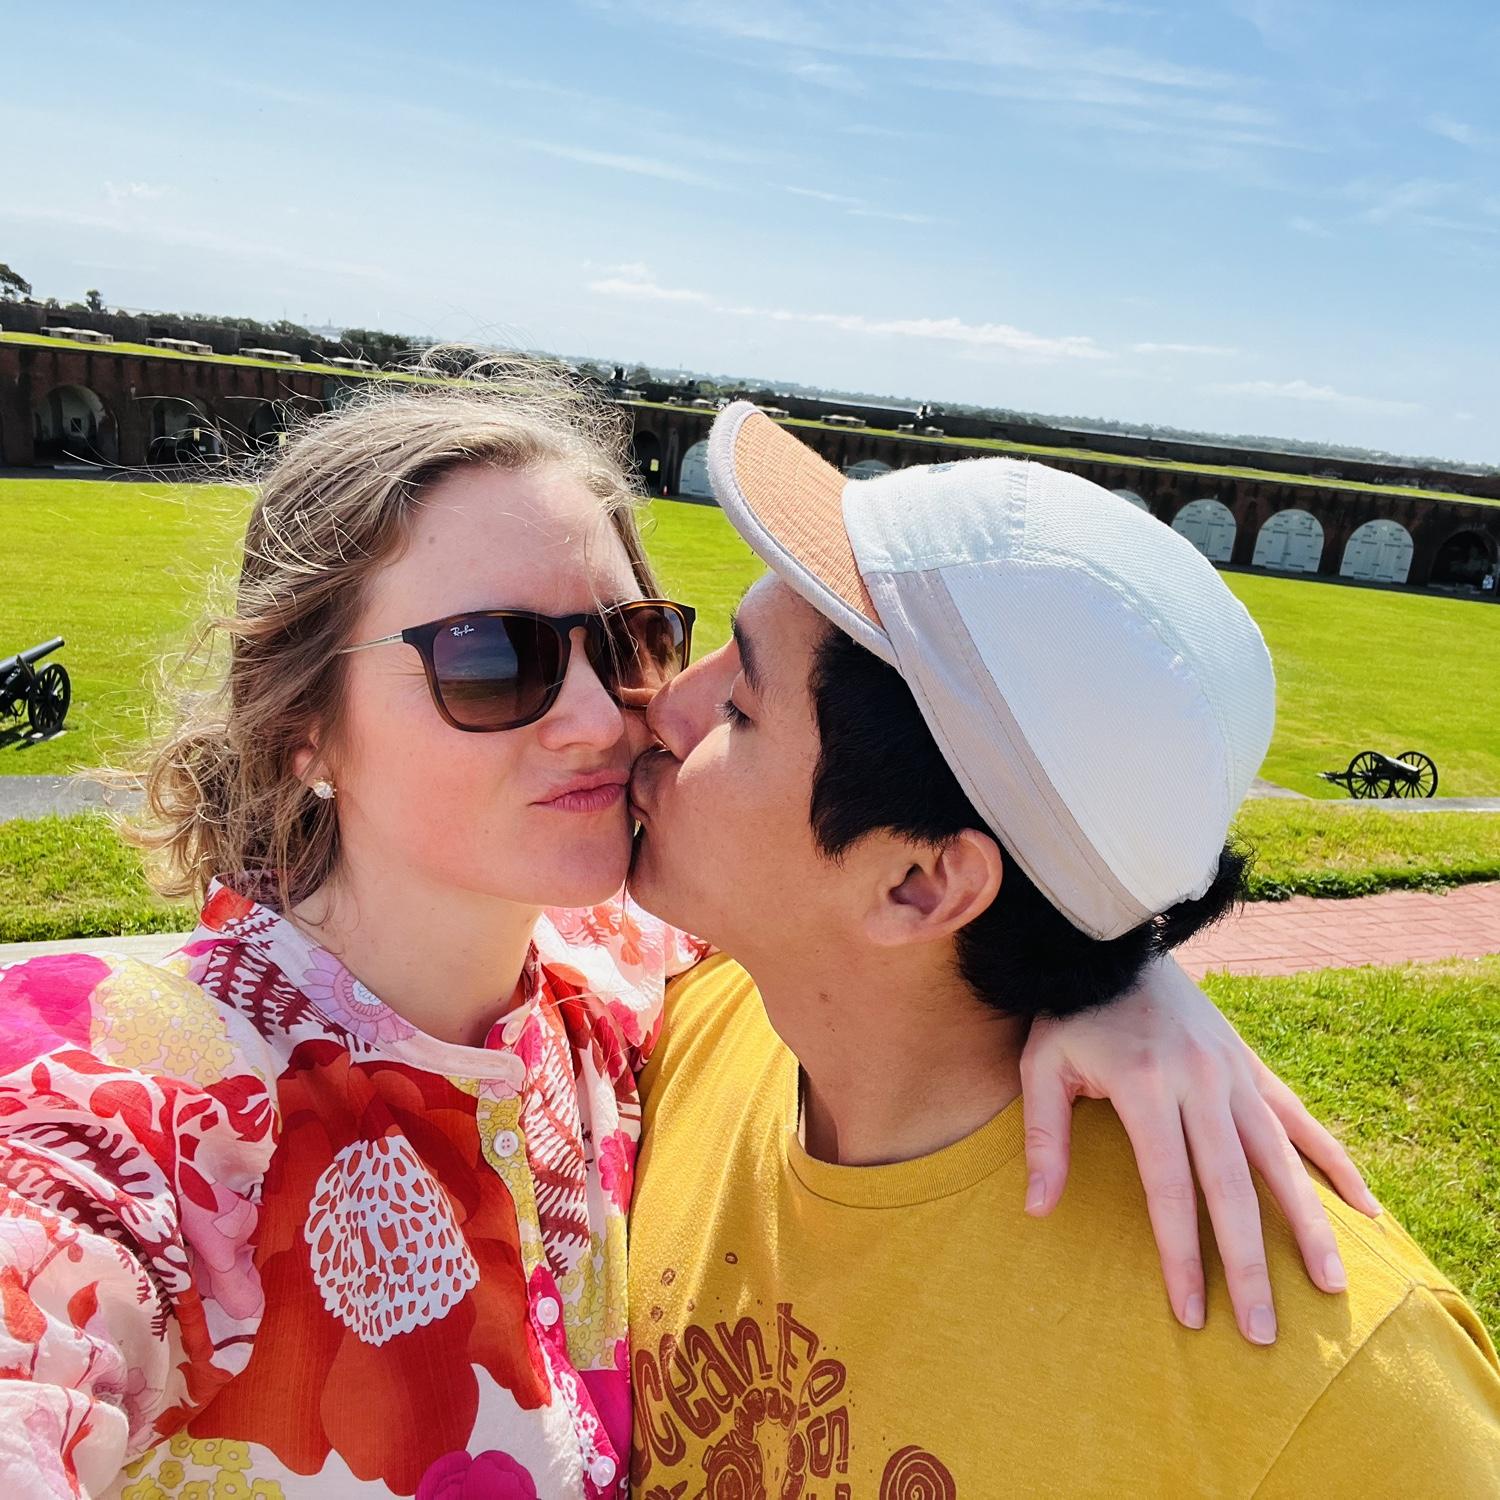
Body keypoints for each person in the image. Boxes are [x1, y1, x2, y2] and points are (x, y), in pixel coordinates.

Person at [0, 369, 1367, 1500]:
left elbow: (928, 904)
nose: (606, 719)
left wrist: (1110, 962)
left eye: (628, 641)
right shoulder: (103, 1099)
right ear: (302, 723)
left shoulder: (627, 988)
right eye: (494, 660)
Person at [625, 402, 1500, 1498]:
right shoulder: (692, 1022)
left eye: (740, 704)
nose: (662, 704)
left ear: (920, 882)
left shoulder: (1341, 1394)